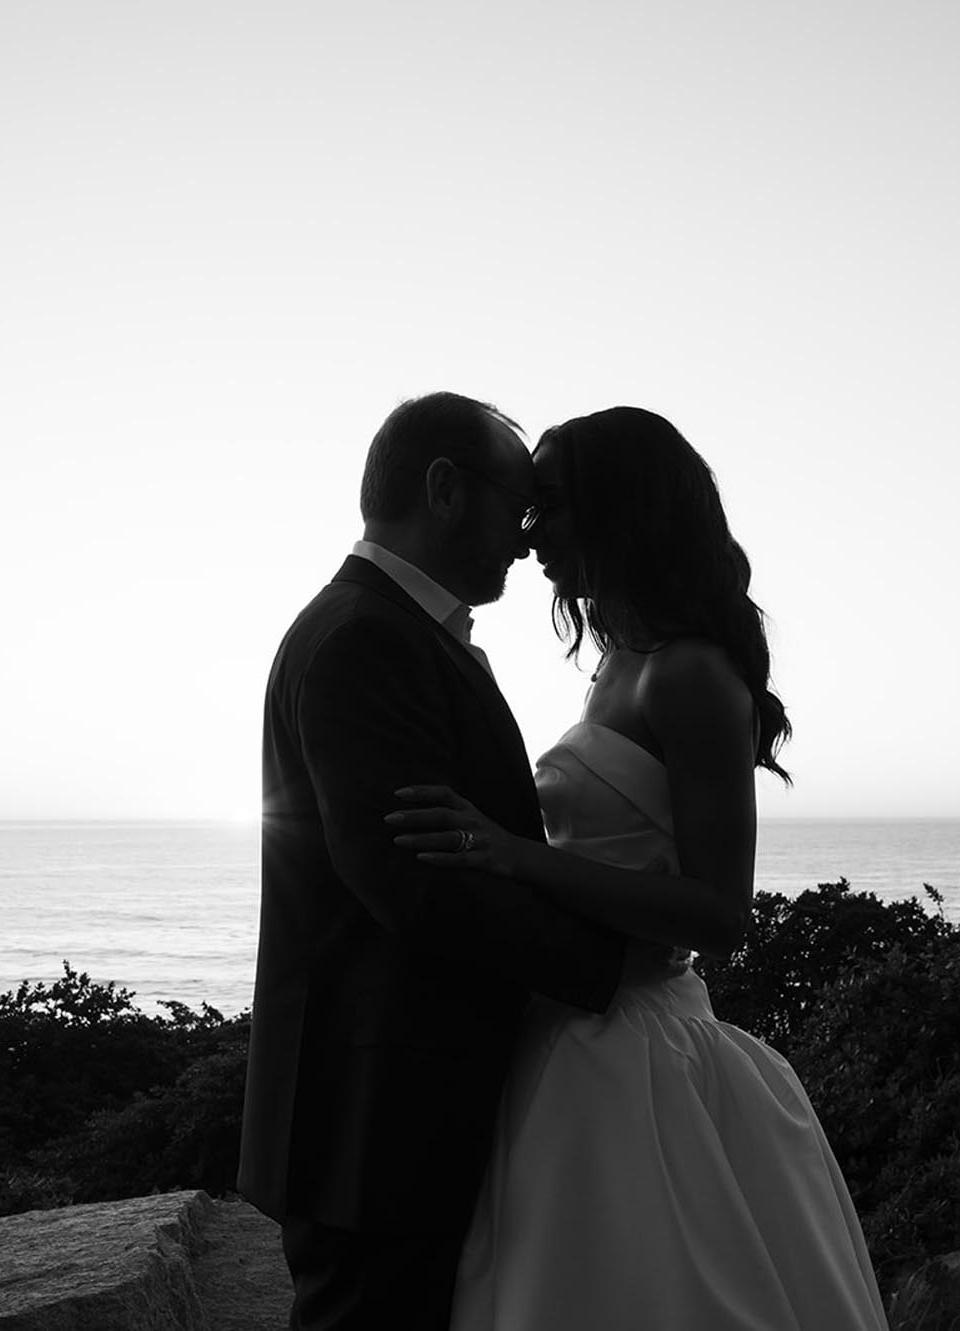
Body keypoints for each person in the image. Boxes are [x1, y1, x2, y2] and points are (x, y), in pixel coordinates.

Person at [390, 407, 890, 1329]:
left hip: (642, 1050)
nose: (530, 532)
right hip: (563, 1027)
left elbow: (717, 911)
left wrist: (515, 860)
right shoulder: (617, 659)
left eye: (553, 507)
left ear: (621, 511)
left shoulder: (692, 674)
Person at [239, 392, 632, 1331]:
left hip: (399, 1108)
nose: (530, 538)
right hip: (376, 1120)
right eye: (518, 503)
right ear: (447, 490)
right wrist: (605, 966)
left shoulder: (391, 632)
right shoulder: (365, 639)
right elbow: (411, 883)